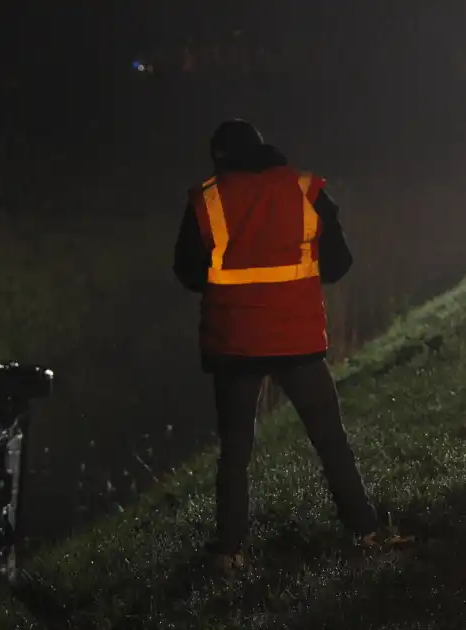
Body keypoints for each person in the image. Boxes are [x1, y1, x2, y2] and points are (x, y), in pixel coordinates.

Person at [172, 119, 411, 572]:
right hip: (297, 340)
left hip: (234, 343)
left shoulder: (207, 198)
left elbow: (186, 272)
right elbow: (339, 264)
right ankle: (366, 532)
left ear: (219, 156)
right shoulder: (306, 189)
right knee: (330, 441)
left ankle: (228, 551)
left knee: (235, 450)